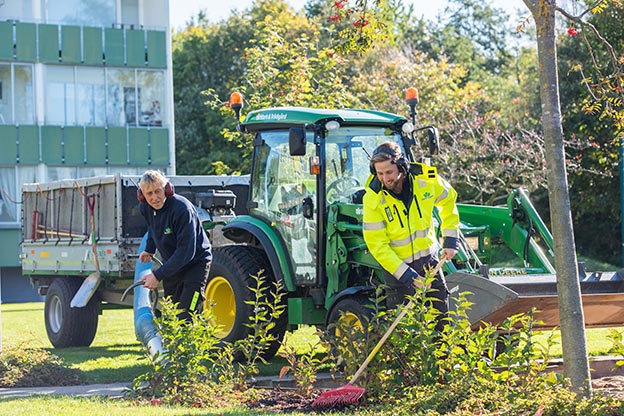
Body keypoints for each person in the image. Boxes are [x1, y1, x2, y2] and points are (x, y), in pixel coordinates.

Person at [362, 142, 460, 331]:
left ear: (402, 166)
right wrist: (408, 275)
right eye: (379, 173)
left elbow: (449, 200)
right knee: (404, 329)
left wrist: (450, 240)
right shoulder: (373, 198)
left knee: (441, 320)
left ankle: (442, 359)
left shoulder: (427, 180)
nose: (384, 178)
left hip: (430, 262)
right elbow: (377, 245)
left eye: (389, 172)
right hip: (397, 270)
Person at [137, 170, 212, 321]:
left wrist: (157, 275)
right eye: (149, 193)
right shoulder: (145, 208)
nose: (154, 198)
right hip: (172, 265)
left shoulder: (181, 209)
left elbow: (186, 252)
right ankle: (172, 345)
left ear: (167, 189)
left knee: (188, 313)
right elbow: (152, 227)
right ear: (142, 195)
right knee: (171, 314)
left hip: (195, 263)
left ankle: (192, 343)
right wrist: (149, 249)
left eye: (158, 191)